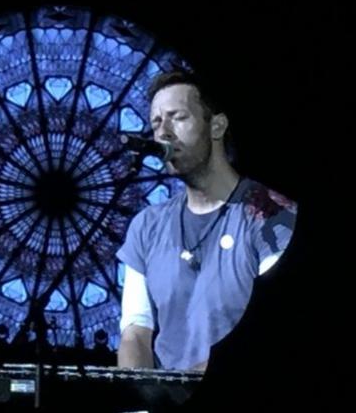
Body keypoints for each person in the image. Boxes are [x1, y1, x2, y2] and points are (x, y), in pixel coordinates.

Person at [117, 71, 297, 372]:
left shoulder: (273, 216)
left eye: (178, 118)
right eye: (156, 123)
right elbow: (135, 331)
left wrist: (188, 384)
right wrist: (141, 390)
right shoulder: (145, 226)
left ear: (217, 126)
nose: (164, 133)